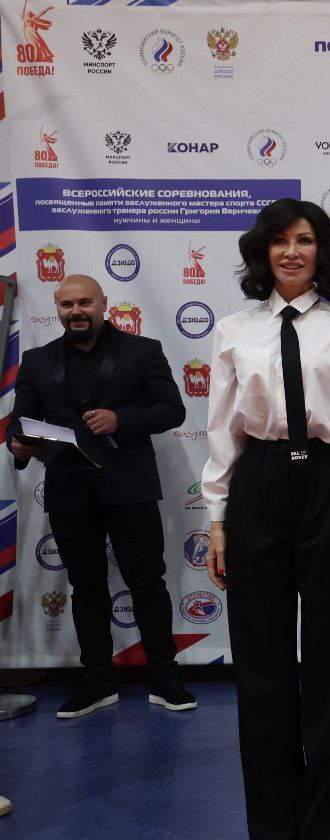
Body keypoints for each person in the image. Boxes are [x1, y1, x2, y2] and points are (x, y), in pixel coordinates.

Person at [202, 199, 330, 840]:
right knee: (262, 661)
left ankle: (325, 824)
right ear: (262, 251)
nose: (291, 252)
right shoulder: (233, 330)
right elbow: (222, 429)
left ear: (321, 251)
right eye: (279, 241)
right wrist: (217, 518)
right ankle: (275, 827)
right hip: (258, 482)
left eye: (304, 240)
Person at [7, 274, 194, 718]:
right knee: (86, 587)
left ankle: (165, 678)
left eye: (84, 302)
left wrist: (120, 420)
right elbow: (20, 420)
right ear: (58, 309)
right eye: (66, 304)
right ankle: (96, 683)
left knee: (147, 583)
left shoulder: (143, 351)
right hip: (69, 489)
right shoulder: (37, 361)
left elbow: (172, 409)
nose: (76, 311)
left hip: (130, 486)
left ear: (103, 303)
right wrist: (19, 444)